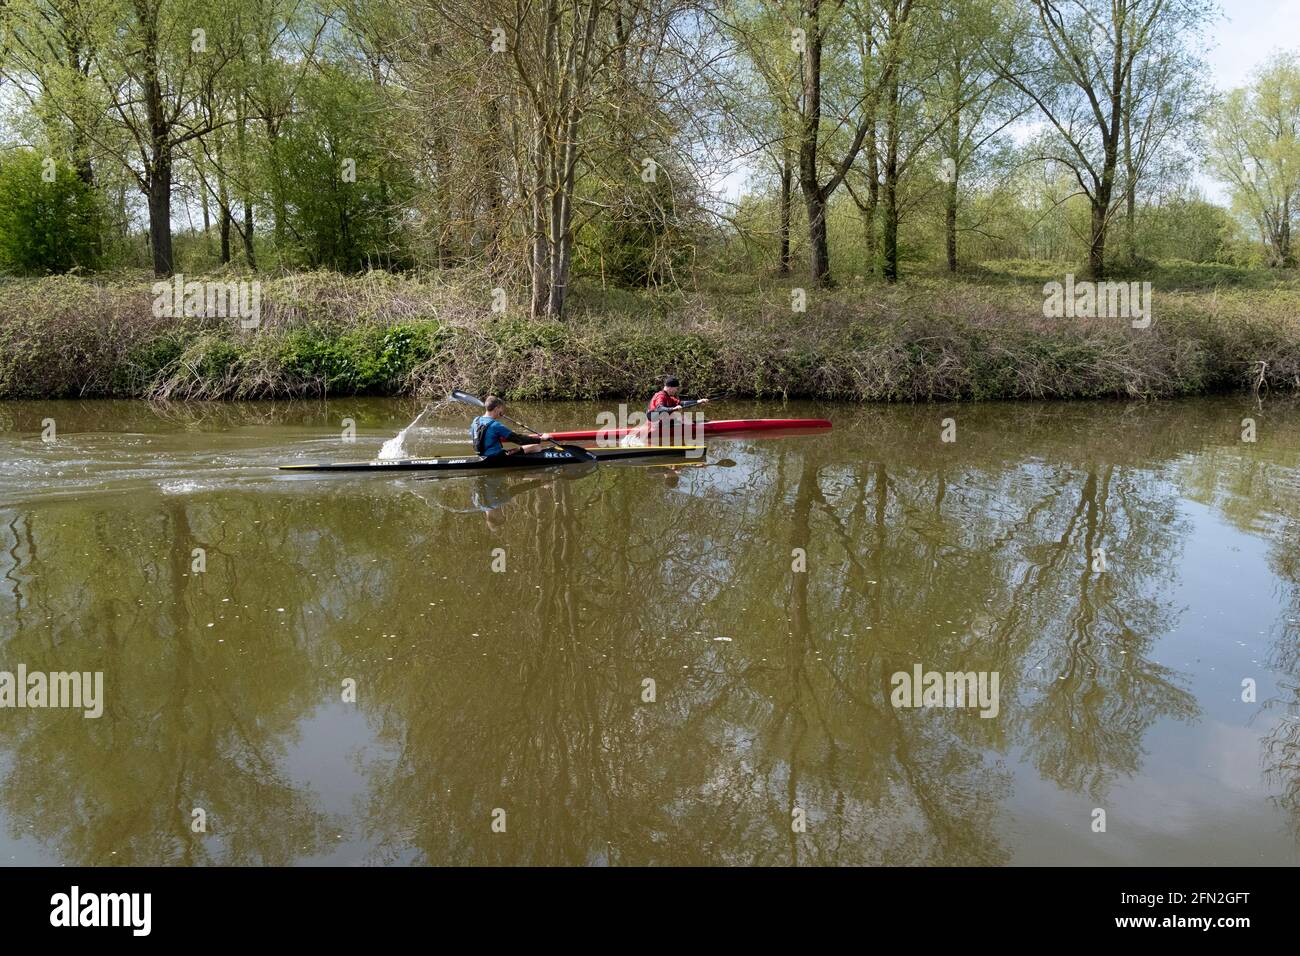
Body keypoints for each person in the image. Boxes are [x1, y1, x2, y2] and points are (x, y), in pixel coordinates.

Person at [470, 396, 550, 457]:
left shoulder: (475, 420)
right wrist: (541, 439)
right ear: (497, 408)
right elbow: (519, 440)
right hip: (497, 457)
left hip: (481, 455)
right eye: (501, 408)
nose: (502, 411)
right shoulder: (496, 425)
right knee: (536, 447)